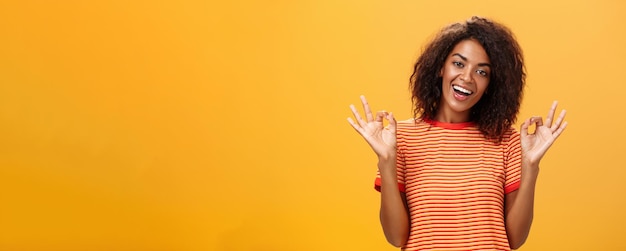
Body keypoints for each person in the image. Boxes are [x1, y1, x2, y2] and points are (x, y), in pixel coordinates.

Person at [347, 16, 567, 251]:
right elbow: (396, 238)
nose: (467, 78)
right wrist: (386, 161)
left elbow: (515, 239)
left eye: (482, 72)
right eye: (459, 64)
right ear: (441, 67)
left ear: (492, 84)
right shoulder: (399, 138)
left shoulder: (507, 139)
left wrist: (531, 166)